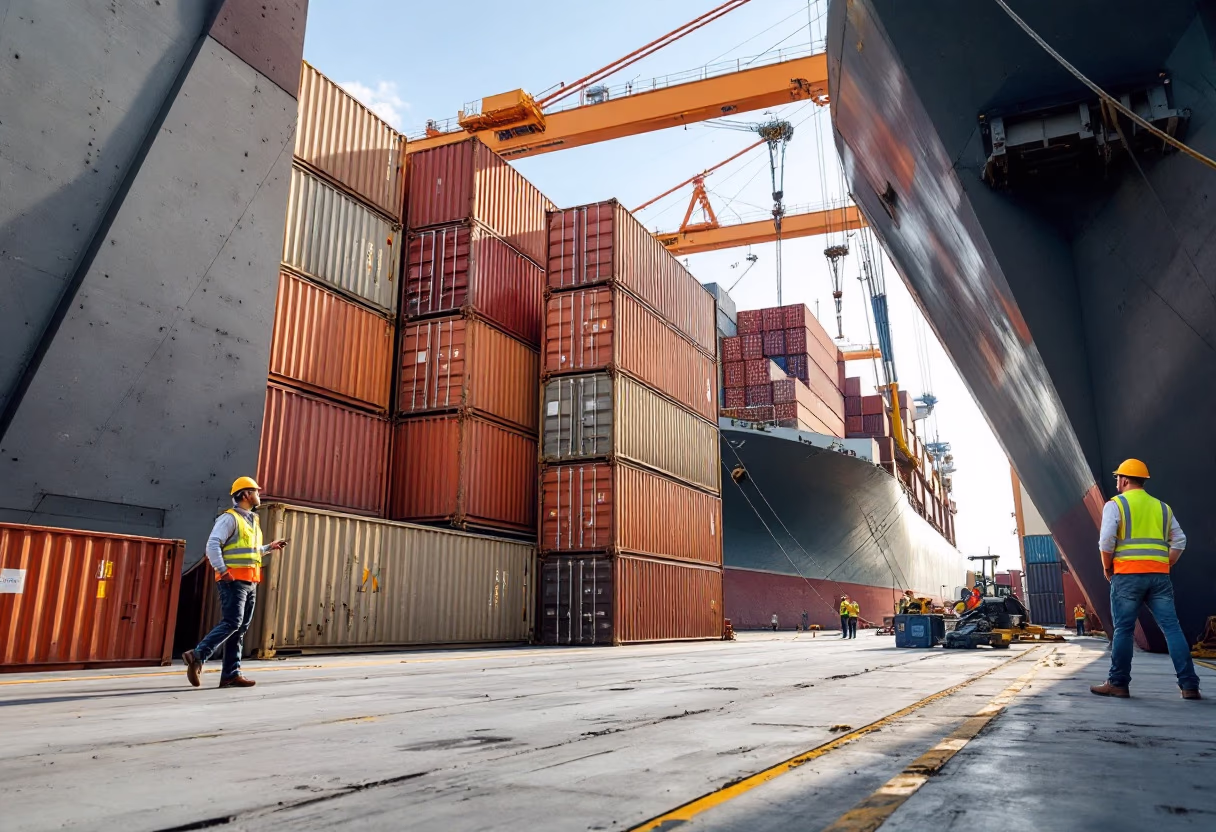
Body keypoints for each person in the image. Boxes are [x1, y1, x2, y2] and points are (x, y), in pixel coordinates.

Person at [1090, 459, 1200, 700]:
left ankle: (1118, 683)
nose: (1116, 481)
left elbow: (1106, 540)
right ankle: (1189, 685)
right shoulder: (1162, 508)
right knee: (1172, 629)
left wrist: (1106, 567)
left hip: (1127, 577)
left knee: (1124, 631)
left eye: (1118, 477)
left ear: (1125, 480)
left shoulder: (1115, 505)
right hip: (1159, 578)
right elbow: (1180, 540)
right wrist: (1165, 562)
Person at [181, 477, 287, 689]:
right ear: (246, 494)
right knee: (233, 622)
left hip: (250, 580)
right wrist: (223, 571)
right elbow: (213, 545)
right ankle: (198, 654)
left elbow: (248, 550)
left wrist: (269, 547)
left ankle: (231, 674)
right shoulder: (229, 519)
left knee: (239, 629)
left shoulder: (252, 520)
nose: (259, 494)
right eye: (256, 491)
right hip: (233, 580)